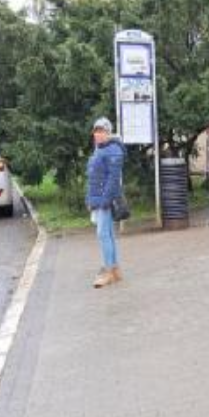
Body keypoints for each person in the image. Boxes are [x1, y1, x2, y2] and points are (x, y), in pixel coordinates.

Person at [86, 117, 126, 289]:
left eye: (101, 131)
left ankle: (108, 271)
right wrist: (90, 199)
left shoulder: (113, 150)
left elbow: (113, 179)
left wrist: (104, 201)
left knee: (103, 234)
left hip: (105, 200)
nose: (98, 134)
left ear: (108, 133)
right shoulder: (100, 149)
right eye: (96, 131)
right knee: (107, 233)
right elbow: (93, 178)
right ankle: (115, 270)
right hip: (98, 199)